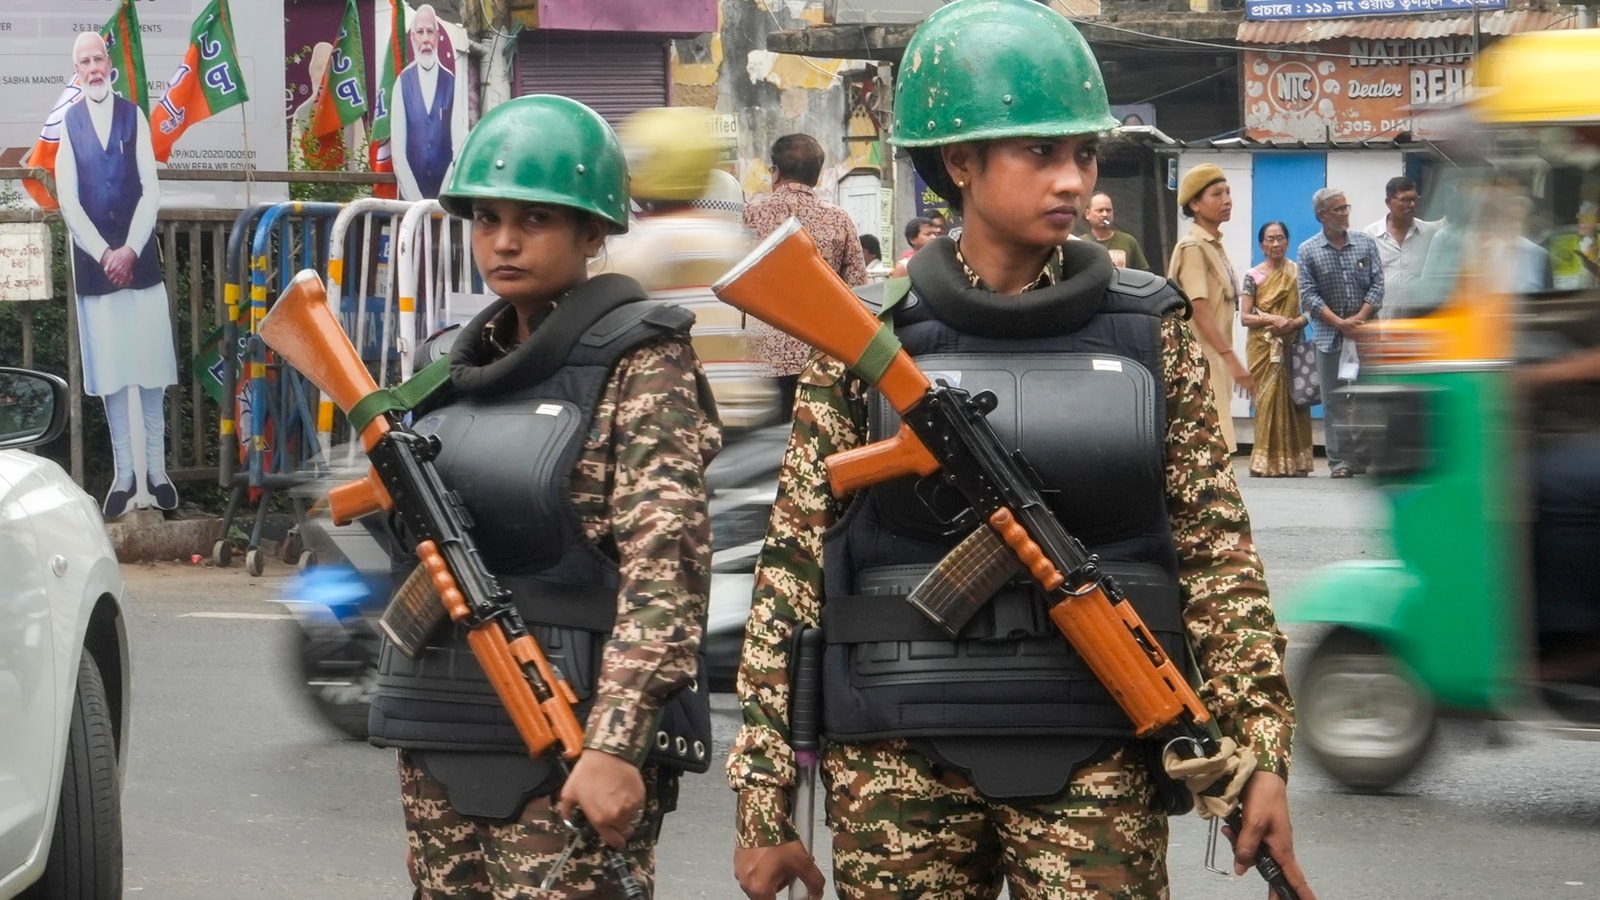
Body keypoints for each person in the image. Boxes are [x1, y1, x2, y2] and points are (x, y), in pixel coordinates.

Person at [725, 2, 1313, 899]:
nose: (1072, 179)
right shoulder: (868, 338)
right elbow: (792, 569)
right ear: (959, 163)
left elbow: (1216, 552)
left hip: (1100, 747)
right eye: (1040, 152)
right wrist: (764, 800)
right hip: (895, 753)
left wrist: (1261, 747)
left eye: (1083, 154)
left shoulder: (1148, 327)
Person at [364, 94, 720, 897]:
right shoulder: (441, 373)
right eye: (486, 218)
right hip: (445, 724)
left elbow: (666, 574)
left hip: (573, 733)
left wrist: (617, 744)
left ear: (595, 232)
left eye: (536, 219)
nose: (505, 240)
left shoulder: (642, 363)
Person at [55, 31, 179, 518]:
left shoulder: (134, 115)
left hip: (140, 261)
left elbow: (151, 189)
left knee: (150, 368)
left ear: (110, 63)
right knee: (111, 372)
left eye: (97, 58)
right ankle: (125, 475)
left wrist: (130, 248)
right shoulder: (70, 122)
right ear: (77, 70)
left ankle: (158, 471)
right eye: (83, 62)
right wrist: (105, 252)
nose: (92, 68)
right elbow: (69, 199)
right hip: (96, 265)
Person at [594, 106, 770, 431]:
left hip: (681, 412)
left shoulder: (647, 243)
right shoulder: (729, 236)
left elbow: (590, 295)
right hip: (743, 410)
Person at [742, 133, 868, 420]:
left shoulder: (749, 215)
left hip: (761, 359)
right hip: (821, 359)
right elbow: (859, 291)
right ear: (817, 175)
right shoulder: (839, 219)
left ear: (776, 172)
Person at [1297, 187, 1383, 479]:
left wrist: (1358, 319)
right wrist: (1339, 322)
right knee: (1334, 400)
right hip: (1328, 337)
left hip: (1365, 334)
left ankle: (1364, 458)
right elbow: (1308, 296)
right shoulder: (1308, 250)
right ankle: (1340, 461)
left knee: (1367, 397)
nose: (1345, 213)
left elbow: (1377, 285)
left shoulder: (1365, 243)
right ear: (1322, 215)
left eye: (1347, 207)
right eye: (1339, 209)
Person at [1169, 162, 1251, 453]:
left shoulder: (1215, 245)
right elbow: (1198, 307)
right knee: (1209, 448)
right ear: (1195, 203)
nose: (1227, 200)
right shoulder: (1193, 247)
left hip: (1217, 360)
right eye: (1217, 194)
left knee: (1213, 446)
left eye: (1228, 192)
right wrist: (1233, 360)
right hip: (1202, 362)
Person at [1240, 222, 1314, 477]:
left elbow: (1310, 309)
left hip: (1292, 345)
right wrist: (1273, 320)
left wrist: (1293, 323)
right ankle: (1265, 463)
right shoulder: (1253, 276)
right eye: (1270, 239)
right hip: (1263, 347)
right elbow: (1245, 317)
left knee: (1295, 401)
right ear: (1261, 245)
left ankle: (1296, 462)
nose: (1275, 244)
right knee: (1267, 401)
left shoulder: (1297, 272)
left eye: (1280, 238)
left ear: (1288, 241)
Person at [390, 3, 466, 201]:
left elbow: (458, 148)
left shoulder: (451, 82)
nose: (425, 39)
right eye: (420, 32)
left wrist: (441, 200)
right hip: (409, 200)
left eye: (429, 32)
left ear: (437, 35)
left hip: (444, 200)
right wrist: (416, 202)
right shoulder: (402, 83)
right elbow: (398, 152)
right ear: (413, 37)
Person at [1361, 176, 1439, 319]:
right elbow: (1362, 281)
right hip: (1383, 323)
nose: (1411, 205)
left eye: (1414, 199)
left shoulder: (1429, 233)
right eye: (1404, 200)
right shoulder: (1370, 236)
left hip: (1420, 323)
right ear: (1388, 202)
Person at [289, 41, 367, 172]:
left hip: (341, 183)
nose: (323, 74)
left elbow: (358, 158)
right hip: (312, 184)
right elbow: (297, 159)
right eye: (319, 68)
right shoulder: (302, 112)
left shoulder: (348, 112)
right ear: (311, 71)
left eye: (328, 68)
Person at [1084, 191, 1151, 271]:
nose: (1105, 214)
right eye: (1100, 210)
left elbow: (1143, 273)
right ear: (1087, 214)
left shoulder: (1128, 241)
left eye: (1108, 210)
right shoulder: (1080, 242)